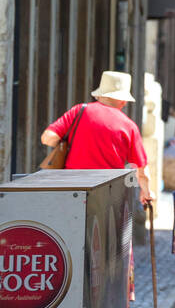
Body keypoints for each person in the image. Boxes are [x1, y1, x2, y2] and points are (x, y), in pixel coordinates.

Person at [40, 70, 153, 209]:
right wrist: (146, 192)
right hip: (108, 196)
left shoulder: (78, 111)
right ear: (123, 102)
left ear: (99, 95)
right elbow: (141, 170)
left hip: (71, 190)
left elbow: (48, 138)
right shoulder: (129, 126)